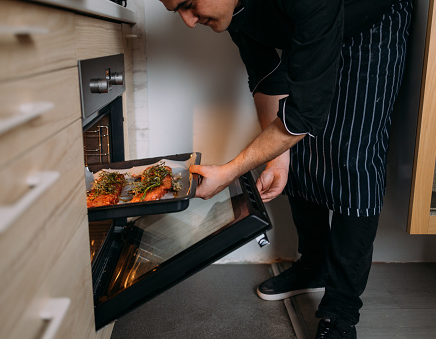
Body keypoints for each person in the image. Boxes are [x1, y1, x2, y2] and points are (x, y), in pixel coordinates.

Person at [159, 0, 412, 338]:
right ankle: (314, 265)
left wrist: (232, 170)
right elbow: (266, 77)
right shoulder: (228, 7)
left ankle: (341, 312)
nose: (188, 21)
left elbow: (305, 115)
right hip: (315, 22)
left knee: (355, 157)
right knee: (297, 149)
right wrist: (277, 156)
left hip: (369, 22)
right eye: (176, 10)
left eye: (188, 4)